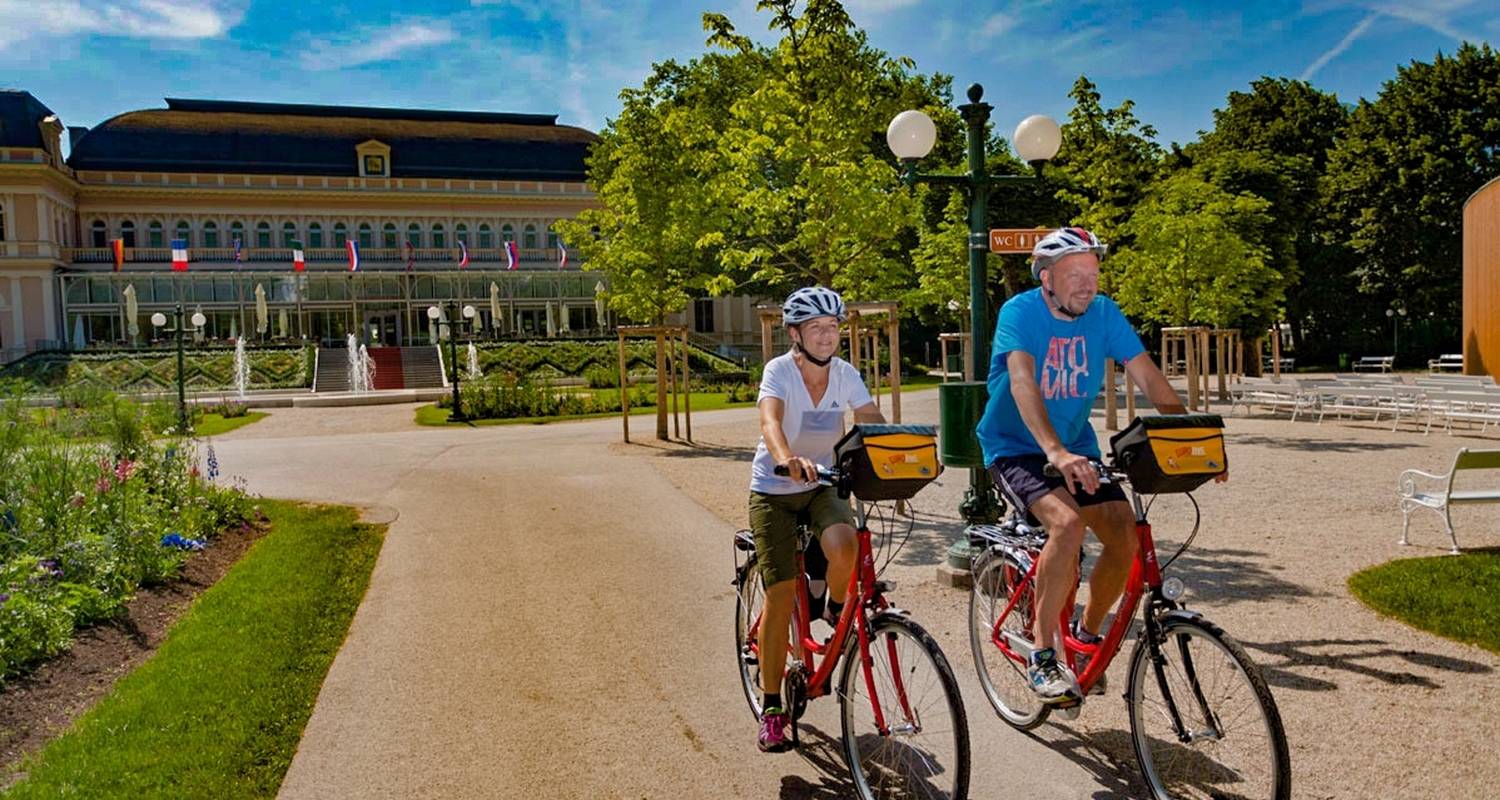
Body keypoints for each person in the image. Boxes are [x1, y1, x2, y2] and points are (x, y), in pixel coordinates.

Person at [975, 226, 1218, 705]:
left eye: (1093, 273)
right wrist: (1054, 452)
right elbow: (1022, 381)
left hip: (1075, 445)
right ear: (1045, 277)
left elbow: (1147, 374)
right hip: (1015, 445)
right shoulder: (1019, 312)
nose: (1088, 284)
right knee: (1065, 524)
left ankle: (1084, 638)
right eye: (1075, 274)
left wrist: (1192, 439)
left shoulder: (1103, 314)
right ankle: (1043, 657)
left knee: (1124, 533)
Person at [749, 286, 885, 752]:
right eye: (816, 329)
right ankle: (771, 707)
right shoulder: (779, 371)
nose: (827, 337)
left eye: (832, 328)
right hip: (776, 490)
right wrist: (786, 457)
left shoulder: (846, 374)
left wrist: (895, 455)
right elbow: (770, 422)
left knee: (846, 544)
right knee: (781, 595)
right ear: (795, 334)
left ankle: (831, 604)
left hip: (823, 483)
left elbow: (871, 419)